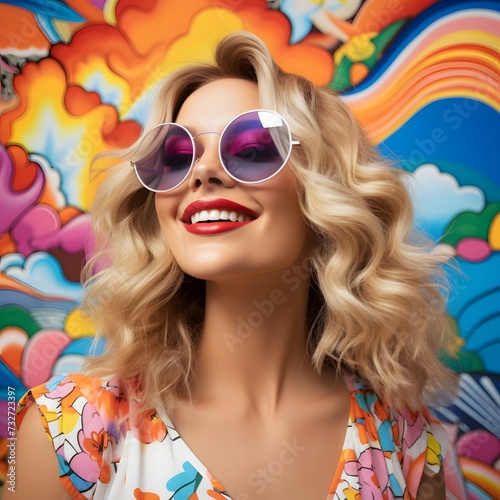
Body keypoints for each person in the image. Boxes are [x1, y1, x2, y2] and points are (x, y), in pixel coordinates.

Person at [7, 32, 461, 499]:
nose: (201, 173)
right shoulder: (65, 432)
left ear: (324, 188)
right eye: (176, 156)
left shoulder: (405, 443)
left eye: (251, 148)